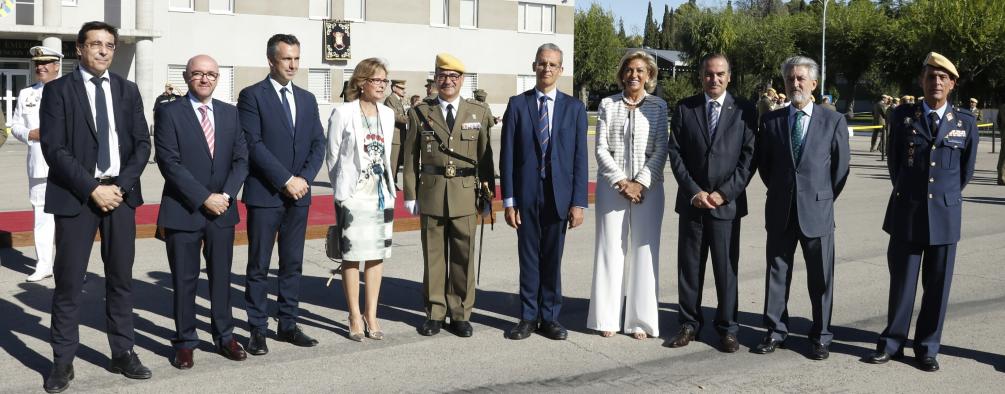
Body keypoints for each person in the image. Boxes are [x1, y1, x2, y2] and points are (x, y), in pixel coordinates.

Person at [40, 21, 153, 392]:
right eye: (96, 45)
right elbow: (55, 150)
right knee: (69, 282)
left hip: (120, 197)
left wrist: (118, 186)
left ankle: (123, 351)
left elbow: (141, 145)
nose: (104, 51)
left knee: (120, 280)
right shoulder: (58, 91)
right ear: (80, 49)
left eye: (109, 45)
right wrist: (93, 188)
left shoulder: (127, 90)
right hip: (77, 197)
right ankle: (62, 362)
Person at [866, 52, 979, 372]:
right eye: (931, 76)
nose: (936, 82)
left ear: (953, 84)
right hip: (907, 212)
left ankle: (927, 347)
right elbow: (895, 164)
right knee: (902, 283)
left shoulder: (965, 123)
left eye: (943, 77)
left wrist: (942, 198)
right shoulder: (902, 116)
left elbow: (964, 173)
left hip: (945, 214)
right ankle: (892, 342)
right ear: (921, 81)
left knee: (938, 286)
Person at [155, 54, 249, 370]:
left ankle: (224, 336)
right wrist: (203, 197)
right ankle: (185, 342)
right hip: (184, 209)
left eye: (210, 74)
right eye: (198, 73)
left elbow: (241, 160)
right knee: (185, 280)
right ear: (186, 77)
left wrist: (224, 196)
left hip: (222, 209)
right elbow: (169, 163)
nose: (205, 79)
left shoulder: (231, 114)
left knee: (221, 278)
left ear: (218, 78)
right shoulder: (169, 113)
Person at [753, 56, 850, 361]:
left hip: (817, 212)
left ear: (814, 84)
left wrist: (819, 196)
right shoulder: (770, 121)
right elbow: (765, 168)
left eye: (800, 79)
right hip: (781, 209)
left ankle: (821, 335)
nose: (795, 84)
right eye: (790, 79)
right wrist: (784, 191)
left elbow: (840, 169)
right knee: (777, 273)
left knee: (821, 278)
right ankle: (775, 330)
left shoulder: (832, 120)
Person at [239, 33, 326, 355]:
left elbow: (319, 142)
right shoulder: (252, 96)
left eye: (296, 58)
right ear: (271, 60)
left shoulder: (307, 98)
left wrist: (303, 179)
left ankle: (287, 323)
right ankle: (257, 329)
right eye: (286, 58)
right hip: (266, 194)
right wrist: (285, 179)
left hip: (299, 194)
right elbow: (253, 145)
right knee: (259, 265)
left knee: (292, 264)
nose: (292, 64)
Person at [665, 53, 755, 353]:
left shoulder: (745, 110)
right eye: (708, 74)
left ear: (729, 76)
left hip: (726, 206)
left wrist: (724, 193)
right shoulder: (685, 108)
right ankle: (689, 324)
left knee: (726, 271)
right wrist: (694, 190)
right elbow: (675, 153)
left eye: (719, 74)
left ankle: (727, 328)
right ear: (700, 76)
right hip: (693, 204)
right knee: (689, 269)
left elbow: (748, 157)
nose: (713, 79)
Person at [402, 53, 495, 338]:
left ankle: (460, 313)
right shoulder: (420, 112)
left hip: (466, 194)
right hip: (431, 192)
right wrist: (409, 192)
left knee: (463, 256)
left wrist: (488, 195)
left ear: (462, 80)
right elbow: (410, 156)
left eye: (454, 76)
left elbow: (486, 158)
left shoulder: (477, 112)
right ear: (435, 79)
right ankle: (435, 311)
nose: (448, 81)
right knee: (434, 256)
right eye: (443, 76)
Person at [499, 43, 587, 341]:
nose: (546, 69)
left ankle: (549, 317)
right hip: (526, 195)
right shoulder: (518, 104)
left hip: (558, 196)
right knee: (528, 258)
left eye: (553, 65)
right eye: (542, 63)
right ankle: (527, 317)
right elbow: (507, 156)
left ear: (561, 70)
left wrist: (578, 202)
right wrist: (509, 201)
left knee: (552, 258)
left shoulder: (574, 108)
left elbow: (579, 159)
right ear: (533, 65)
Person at [587, 50, 668, 340]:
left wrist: (641, 183)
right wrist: (623, 182)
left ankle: (640, 321)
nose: (634, 75)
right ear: (622, 74)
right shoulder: (608, 104)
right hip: (613, 188)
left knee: (644, 252)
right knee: (610, 249)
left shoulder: (658, 106)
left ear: (649, 76)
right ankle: (606, 316)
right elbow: (600, 149)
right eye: (629, 70)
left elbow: (661, 149)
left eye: (640, 71)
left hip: (649, 189)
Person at [325, 58, 396, 342]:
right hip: (353, 196)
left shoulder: (388, 114)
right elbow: (332, 156)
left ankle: (372, 313)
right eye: (377, 80)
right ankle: (354, 314)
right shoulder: (343, 113)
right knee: (352, 256)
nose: (382, 86)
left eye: (384, 81)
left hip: (380, 194)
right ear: (361, 83)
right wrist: (342, 190)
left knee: (376, 254)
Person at [10, 45, 62, 282]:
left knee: (68, 218)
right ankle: (44, 264)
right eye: (37, 64)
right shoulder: (26, 93)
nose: (40, 67)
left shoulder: (71, 90)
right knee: (41, 216)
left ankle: (68, 267)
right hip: (39, 162)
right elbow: (16, 124)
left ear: (56, 66)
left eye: (46, 63)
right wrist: (29, 134)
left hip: (67, 164)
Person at [384, 79, 408, 182]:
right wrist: (411, 117)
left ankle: (392, 182)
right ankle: (389, 183)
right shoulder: (390, 99)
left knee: (397, 162)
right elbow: (395, 117)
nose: (404, 91)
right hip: (394, 137)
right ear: (394, 88)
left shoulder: (397, 100)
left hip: (400, 136)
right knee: (392, 162)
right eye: (401, 88)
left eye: (404, 88)